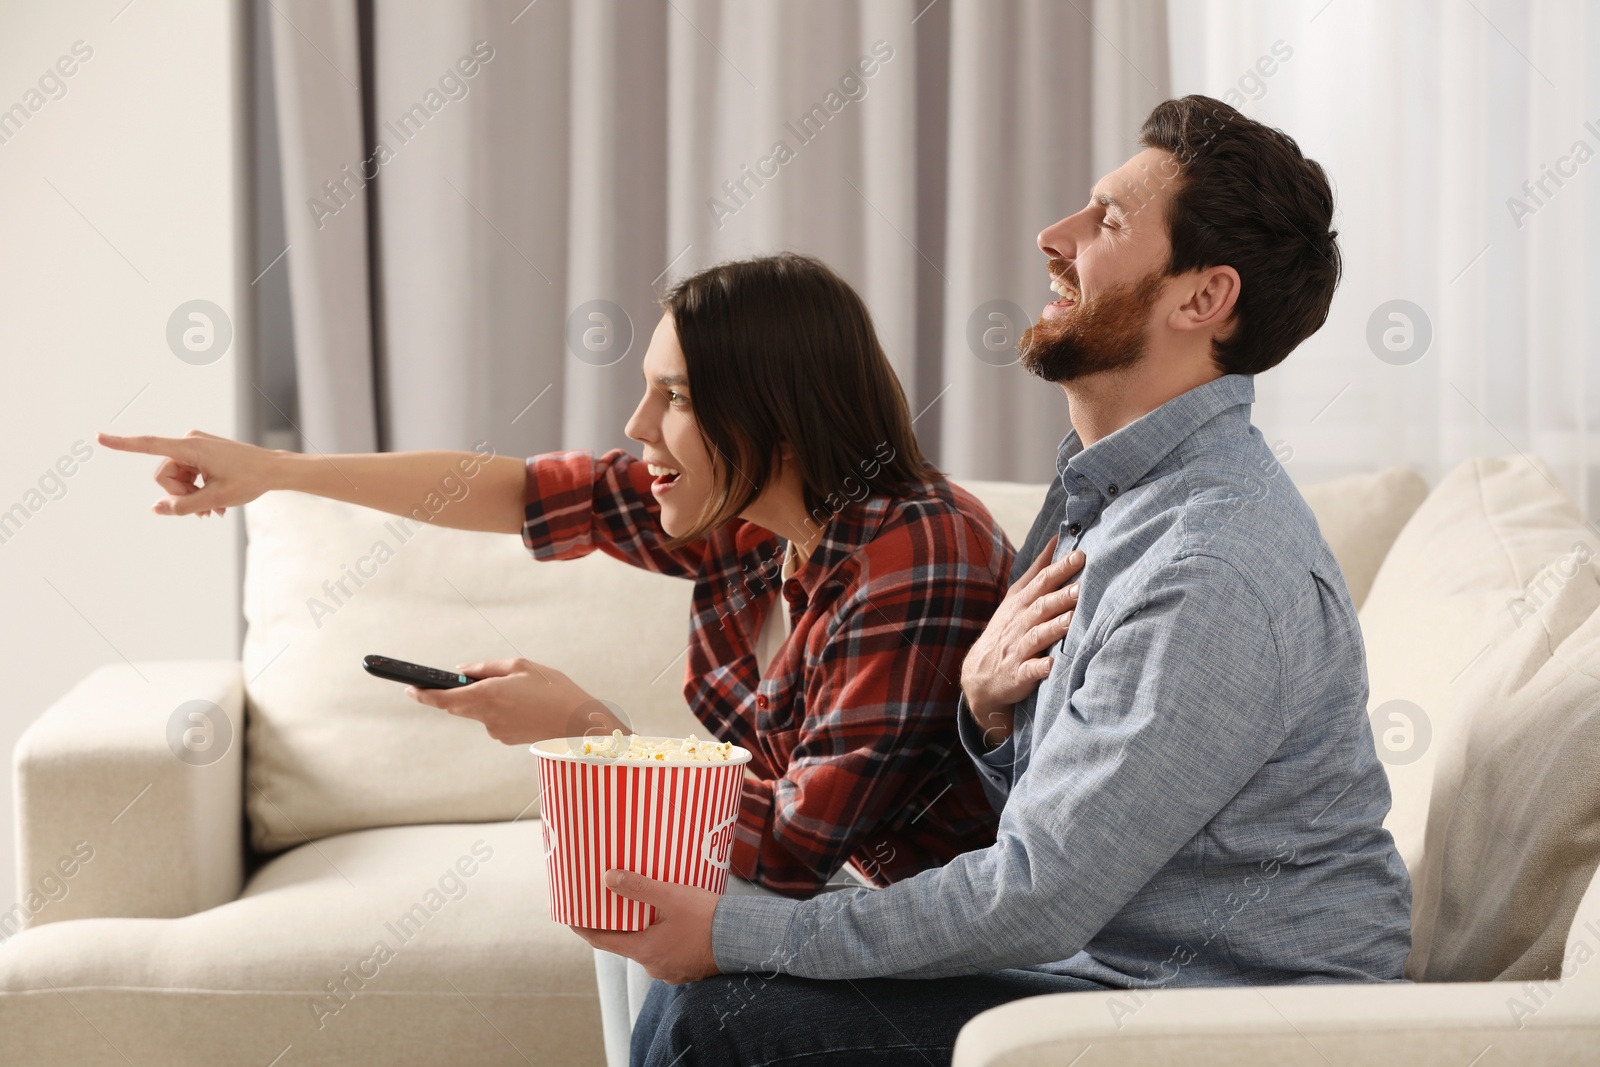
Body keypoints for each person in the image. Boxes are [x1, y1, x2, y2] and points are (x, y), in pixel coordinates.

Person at [575, 95, 1415, 1067]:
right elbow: (1095, 813)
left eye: (1103, 222)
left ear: (1201, 298)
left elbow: (1038, 891)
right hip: (1106, 973)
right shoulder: (1106, 497)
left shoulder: (1205, 565)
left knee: (717, 1008)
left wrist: (729, 934)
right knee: (709, 934)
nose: (1049, 238)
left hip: (1217, 1021)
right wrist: (988, 711)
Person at [99, 252, 1058, 1067]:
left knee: (687, 999)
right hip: (831, 901)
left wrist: (589, 736)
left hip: (933, 939)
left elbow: (800, 846)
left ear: (776, 419)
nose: (639, 426)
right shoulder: (754, 518)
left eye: (674, 397)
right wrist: (280, 473)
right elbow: (517, 492)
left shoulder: (912, 556)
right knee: (616, 904)